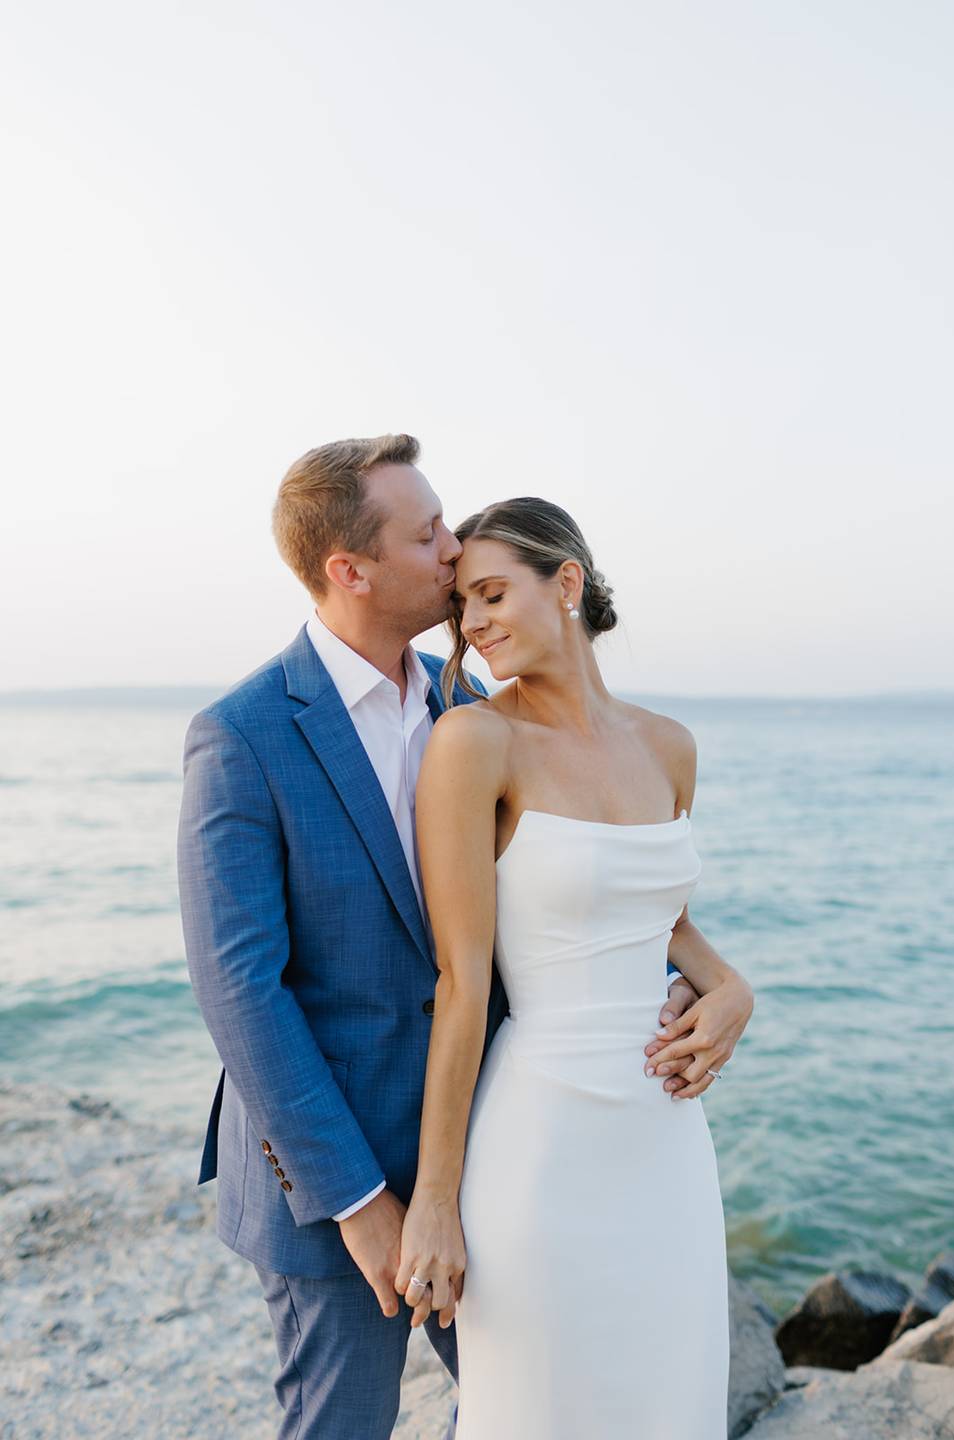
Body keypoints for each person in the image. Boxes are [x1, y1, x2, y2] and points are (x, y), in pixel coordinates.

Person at [177, 436, 745, 1439]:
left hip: (499, 1146)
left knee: (522, 1407)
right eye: (429, 533)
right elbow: (239, 992)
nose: (451, 553)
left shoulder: (468, 706)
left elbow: (573, 897)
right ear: (349, 569)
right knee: (341, 1423)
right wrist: (361, 1200)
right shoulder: (245, 733)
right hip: (337, 1171)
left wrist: (716, 985)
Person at [394, 496, 754, 1438]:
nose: (472, 624)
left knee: (668, 1401)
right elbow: (462, 981)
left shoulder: (669, 746)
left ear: (567, 583)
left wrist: (734, 988)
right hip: (539, 1141)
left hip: (667, 1137)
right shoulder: (474, 743)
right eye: (461, 607)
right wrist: (435, 1202)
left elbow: (661, 916)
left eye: (492, 592)